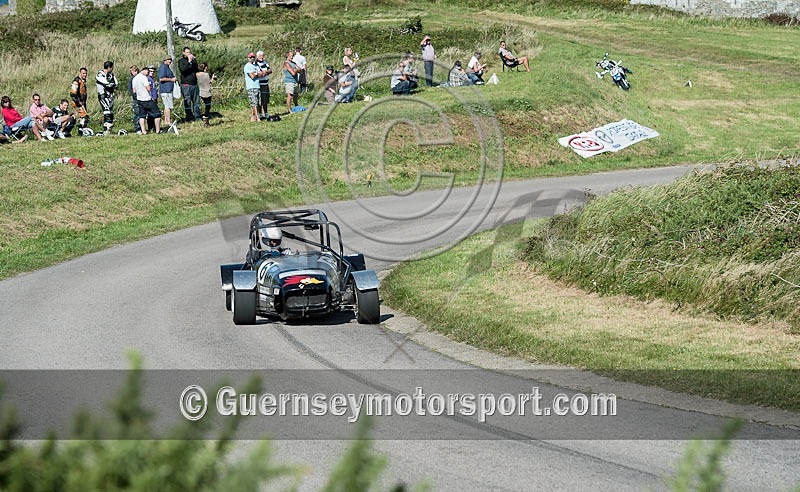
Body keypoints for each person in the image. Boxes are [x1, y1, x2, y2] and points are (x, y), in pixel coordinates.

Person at [132, 66, 161, 134]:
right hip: (147, 99)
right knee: (157, 114)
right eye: (148, 72)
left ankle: (143, 131)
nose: (148, 74)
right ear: (144, 71)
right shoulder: (144, 78)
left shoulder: (135, 78)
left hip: (139, 99)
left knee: (142, 116)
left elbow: (134, 91)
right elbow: (148, 88)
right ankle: (157, 130)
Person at [178, 46, 201, 122]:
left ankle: (197, 116)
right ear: (183, 53)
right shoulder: (181, 61)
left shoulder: (194, 61)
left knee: (196, 102)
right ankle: (189, 117)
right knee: (187, 102)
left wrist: (193, 61)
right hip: (186, 85)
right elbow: (183, 70)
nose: (188, 54)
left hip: (194, 84)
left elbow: (196, 70)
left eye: (189, 52)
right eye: (187, 52)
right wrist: (189, 61)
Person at [95, 61, 118, 134]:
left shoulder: (111, 74)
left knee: (111, 112)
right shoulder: (100, 75)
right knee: (106, 111)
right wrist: (112, 84)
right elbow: (106, 83)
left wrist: (112, 84)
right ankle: (106, 129)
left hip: (110, 95)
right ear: (109, 67)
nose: (112, 69)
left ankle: (109, 129)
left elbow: (116, 83)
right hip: (103, 96)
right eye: (112, 67)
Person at [158, 55, 177, 126]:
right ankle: (168, 121)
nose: (170, 61)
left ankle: (166, 120)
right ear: (165, 60)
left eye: (170, 60)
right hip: (165, 90)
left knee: (168, 106)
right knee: (167, 106)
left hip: (168, 89)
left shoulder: (167, 67)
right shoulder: (163, 67)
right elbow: (161, 79)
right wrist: (171, 79)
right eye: (169, 60)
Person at [254, 50, 272, 119]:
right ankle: (260, 114)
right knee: (259, 99)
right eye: (260, 56)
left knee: (265, 99)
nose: (262, 57)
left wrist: (265, 72)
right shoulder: (256, 64)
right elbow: (258, 73)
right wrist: (263, 73)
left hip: (266, 83)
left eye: (262, 56)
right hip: (259, 84)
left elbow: (270, 70)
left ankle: (266, 112)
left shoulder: (265, 62)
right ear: (257, 56)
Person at [244, 52, 261, 122]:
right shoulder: (247, 66)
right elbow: (252, 76)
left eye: (253, 57)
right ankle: (257, 118)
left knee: (258, 103)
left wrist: (256, 74)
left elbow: (262, 73)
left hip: (257, 86)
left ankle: (254, 116)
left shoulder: (256, 66)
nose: (252, 58)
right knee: (254, 103)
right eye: (251, 57)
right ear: (248, 58)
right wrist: (257, 74)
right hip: (251, 87)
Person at [197, 62, 215, 127]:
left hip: (200, 91)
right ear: (205, 68)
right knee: (208, 106)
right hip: (207, 92)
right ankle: (206, 120)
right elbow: (209, 82)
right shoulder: (206, 75)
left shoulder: (197, 74)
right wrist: (213, 78)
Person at [128, 65, 143, 133]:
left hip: (142, 97)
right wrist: (135, 95)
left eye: (136, 71)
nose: (135, 73)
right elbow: (131, 90)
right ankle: (137, 128)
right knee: (137, 113)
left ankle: (142, 127)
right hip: (136, 98)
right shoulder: (132, 79)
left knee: (142, 113)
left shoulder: (140, 78)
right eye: (133, 71)